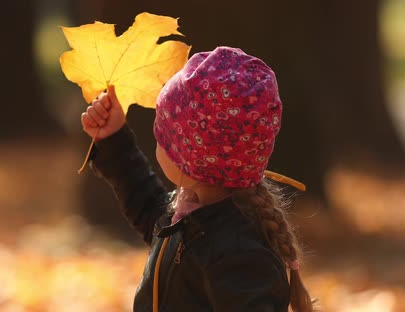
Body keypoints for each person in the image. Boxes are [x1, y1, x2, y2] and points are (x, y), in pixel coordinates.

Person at [81, 46, 314, 312]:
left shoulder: (239, 254)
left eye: (163, 136)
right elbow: (147, 206)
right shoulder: (189, 212)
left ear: (190, 160)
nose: (157, 139)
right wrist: (114, 140)